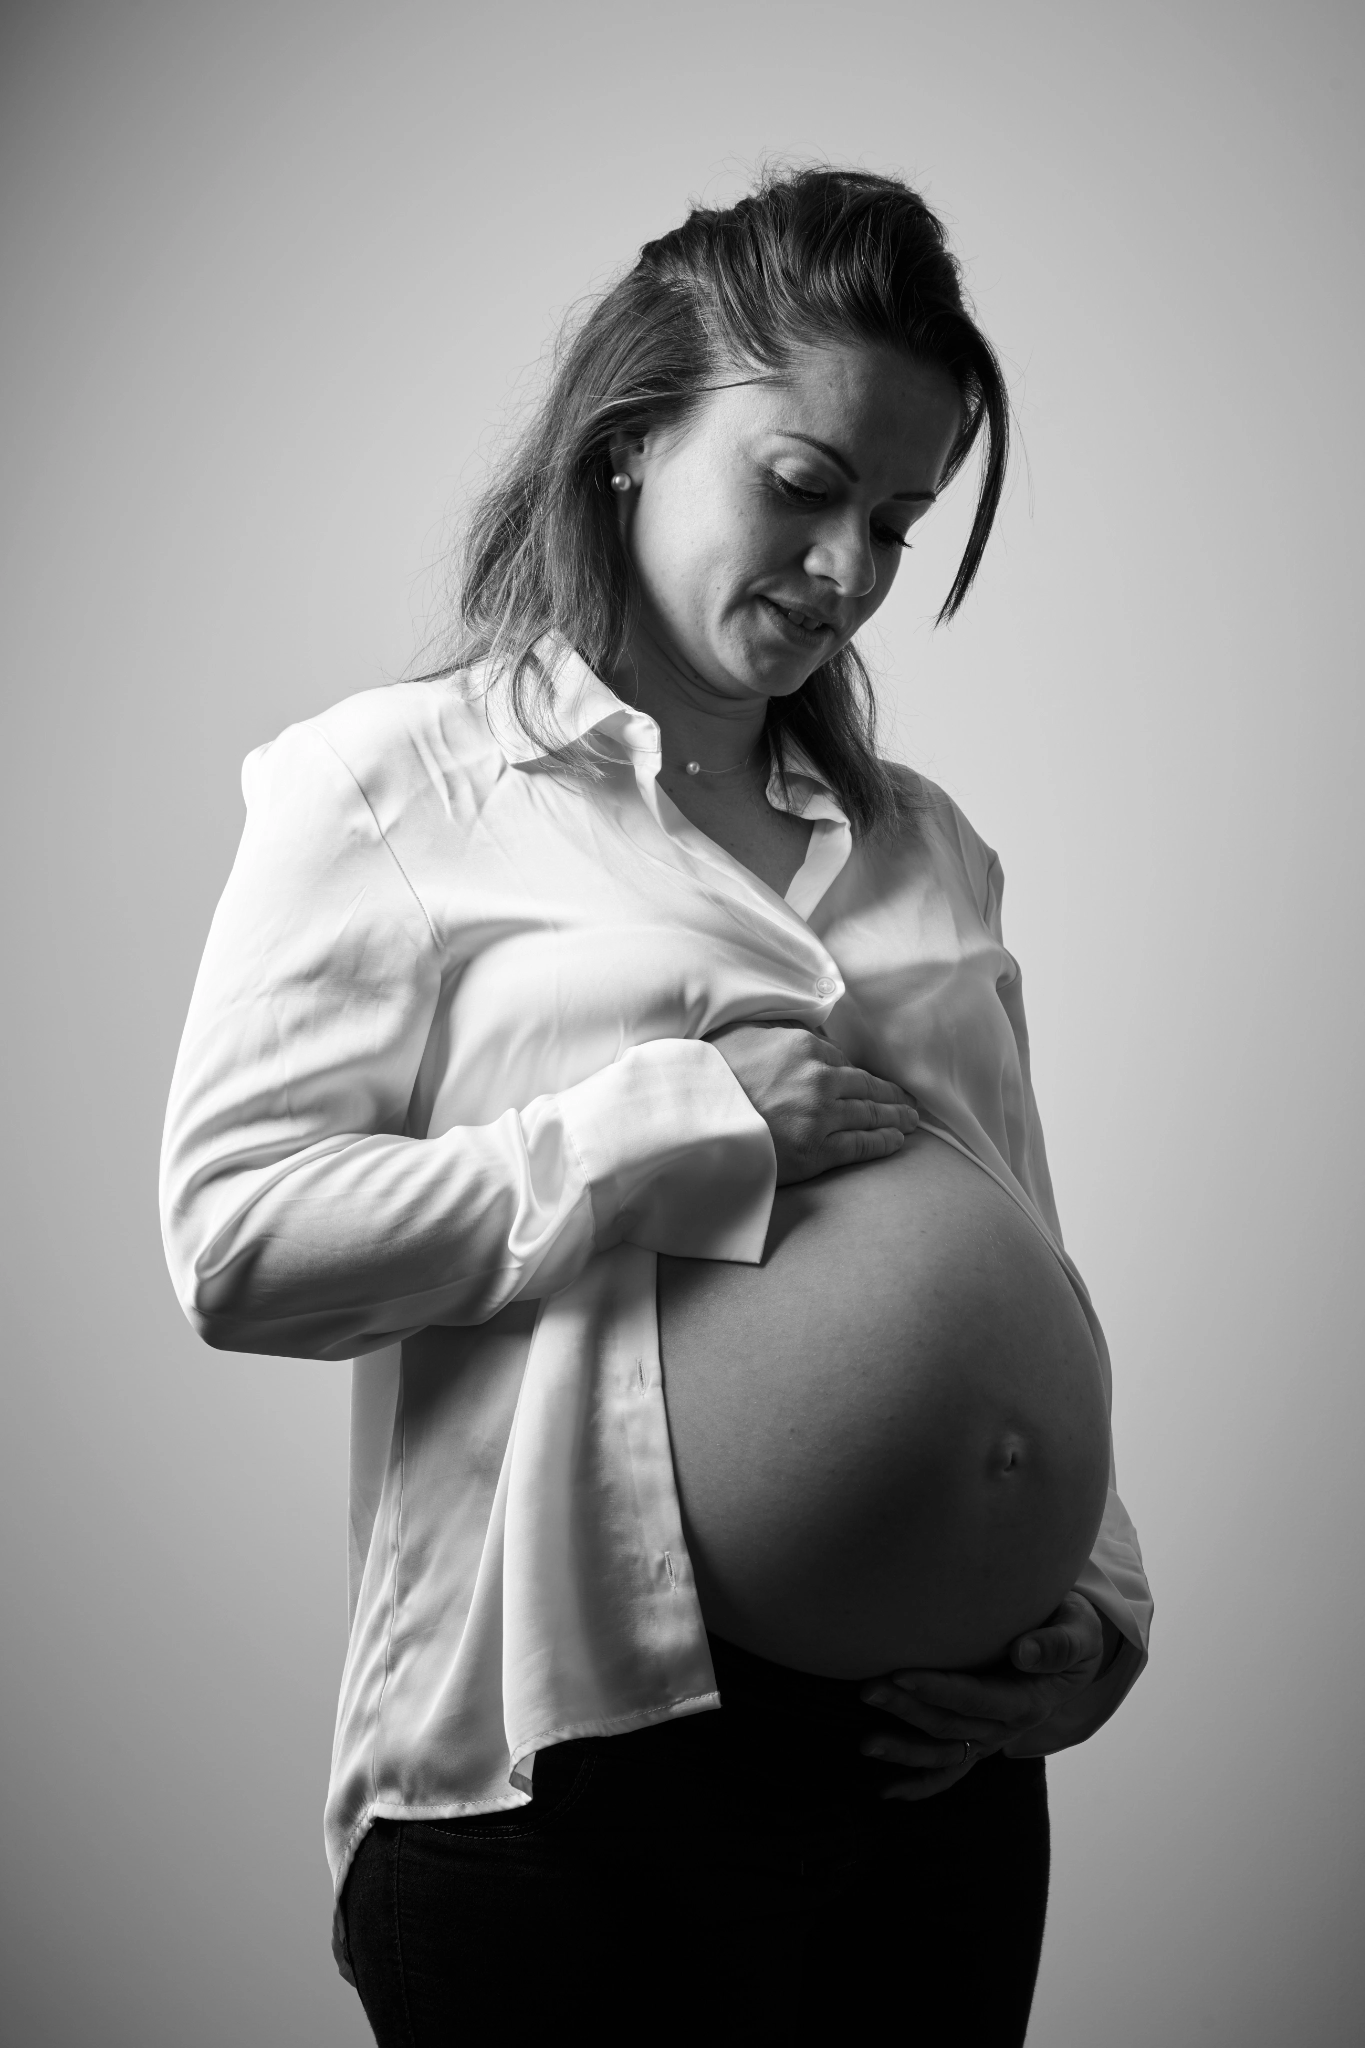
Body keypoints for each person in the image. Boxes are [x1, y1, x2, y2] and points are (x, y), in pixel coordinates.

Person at [160, 166, 1151, 2044]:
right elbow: (239, 1242)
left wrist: (1095, 1600)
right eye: (802, 487)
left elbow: (1019, 1239)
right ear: (629, 437)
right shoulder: (394, 790)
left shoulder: (925, 846)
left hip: (935, 1780)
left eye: (896, 517)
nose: (851, 570)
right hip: (580, 1776)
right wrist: (667, 1126)